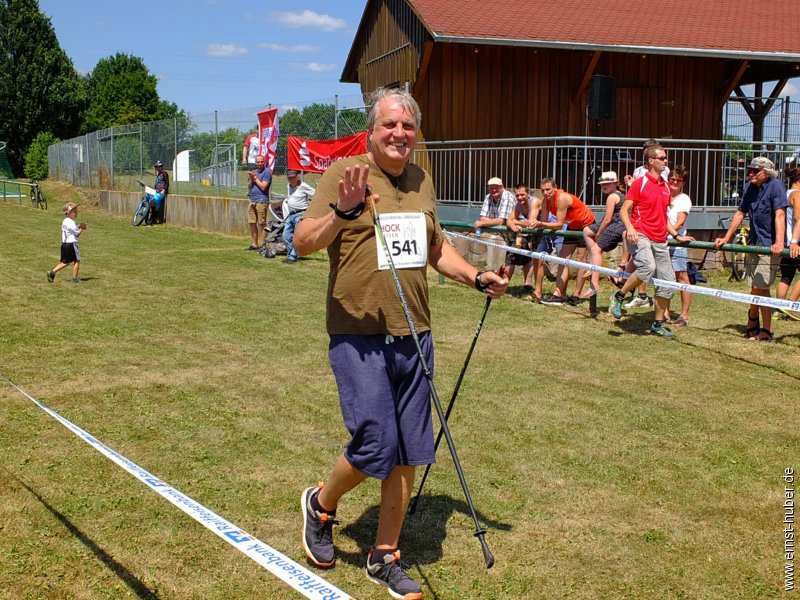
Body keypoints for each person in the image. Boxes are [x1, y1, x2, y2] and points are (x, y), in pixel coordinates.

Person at [293, 87, 508, 600]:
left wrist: (476, 276)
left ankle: (384, 555)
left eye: (407, 126)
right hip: (357, 333)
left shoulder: (420, 179)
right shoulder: (345, 175)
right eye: (390, 125)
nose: (399, 134)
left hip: (415, 333)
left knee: (410, 451)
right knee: (374, 444)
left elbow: (436, 249)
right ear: (373, 131)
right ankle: (321, 505)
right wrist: (342, 214)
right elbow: (301, 242)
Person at [609, 145, 694, 338]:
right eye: (662, 158)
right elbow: (624, 210)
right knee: (647, 267)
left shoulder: (665, 187)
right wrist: (630, 228)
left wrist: (676, 235)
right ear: (651, 161)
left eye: (665, 158)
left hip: (661, 238)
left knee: (668, 282)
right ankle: (619, 296)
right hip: (640, 234)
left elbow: (663, 217)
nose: (665, 161)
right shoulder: (640, 183)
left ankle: (657, 323)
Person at [714, 157, 787, 341]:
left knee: (759, 286)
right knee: (758, 287)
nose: (751, 174)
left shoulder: (776, 186)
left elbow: (780, 215)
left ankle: (757, 322)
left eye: (756, 171)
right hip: (754, 242)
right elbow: (740, 213)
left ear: (767, 172)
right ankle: (761, 326)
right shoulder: (749, 187)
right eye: (750, 170)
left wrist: (779, 242)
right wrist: (726, 237)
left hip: (770, 244)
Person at [530, 177, 600, 305]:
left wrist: (540, 223)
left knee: (580, 260)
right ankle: (559, 294)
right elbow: (544, 221)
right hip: (572, 227)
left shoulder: (562, 198)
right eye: (543, 190)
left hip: (587, 226)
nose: (545, 193)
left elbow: (558, 224)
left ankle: (576, 295)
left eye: (548, 190)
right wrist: (536, 224)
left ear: (555, 188)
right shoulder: (545, 201)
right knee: (562, 259)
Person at [587, 171, 627, 289]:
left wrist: (599, 234)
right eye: (602, 184)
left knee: (595, 249)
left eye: (608, 183)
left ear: (615, 183)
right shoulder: (621, 195)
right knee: (586, 231)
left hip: (616, 226)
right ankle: (595, 262)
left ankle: (594, 283)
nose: (604, 186)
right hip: (620, 226)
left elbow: (607, 219)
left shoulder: (612, 197)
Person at [664, 166, 693, 327]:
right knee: (663, 278)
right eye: (672, 179)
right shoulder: (664, 195)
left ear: (683, 183)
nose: (674, 182)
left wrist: (670, 234)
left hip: (676, 244)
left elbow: (680, 221)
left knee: (682, 277)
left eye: (678, 180)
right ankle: (665, 312)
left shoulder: (684, 199)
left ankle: (684, 315)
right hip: (663, 243)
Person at [505, 184, 537, 299]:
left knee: (515, 256)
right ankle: (527, 286)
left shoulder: (534, 202)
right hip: (523, 236)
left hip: (545, 234)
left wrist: (516, 222)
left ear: (528, 194)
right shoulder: (518, 204)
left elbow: (530, 223)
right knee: (523, 256)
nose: (519, 197)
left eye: (522, 194)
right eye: (517, 195)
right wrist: (513, 225)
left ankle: (505, 284)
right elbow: (509, 220)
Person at [774, 167, 800, 310]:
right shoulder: (797, 194)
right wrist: (794, 242)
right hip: (795, 242)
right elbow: (798, 219)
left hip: (787, 242)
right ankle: (791, 305)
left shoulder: (786, 193)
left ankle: (779, 308)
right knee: (787, 275)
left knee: (786, 276)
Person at [281, 169, 315, 264]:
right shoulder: (289, 186)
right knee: (285, 236)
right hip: (290, 214)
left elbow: (315, 194)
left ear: (298, 176)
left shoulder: (304, 186)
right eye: (289, 177)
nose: (290, 179)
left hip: (300, 214)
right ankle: (293, 253)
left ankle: (292, 257)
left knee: (297, 236)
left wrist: (311, 206)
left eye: (292, 177)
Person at [47, 202, 87, 283]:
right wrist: (82, 228)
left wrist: (79, 226)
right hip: (71, 244)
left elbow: (74, 228)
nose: (76, 213)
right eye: (74, 211)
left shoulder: (65, 221)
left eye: (76, 211)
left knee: (65, 262)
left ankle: (52, 272)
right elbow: (77, 234)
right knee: (77, 260)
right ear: (68, 213)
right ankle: (74, 278)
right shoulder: (71, 222)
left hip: (64, 244)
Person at [246, 154, 272, 250]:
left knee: (262, 223)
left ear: (264, 162)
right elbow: (249, 187)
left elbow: (263, 186)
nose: (259, 163)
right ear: (255, 162)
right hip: (252, 200)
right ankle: (254, 244)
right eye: (258, 162)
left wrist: (255, 178)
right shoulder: (254, 172)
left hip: (262, 201)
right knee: (252, 223)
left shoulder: (267, 172)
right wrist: (251, 178)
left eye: (261, 161)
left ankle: (263, 245)